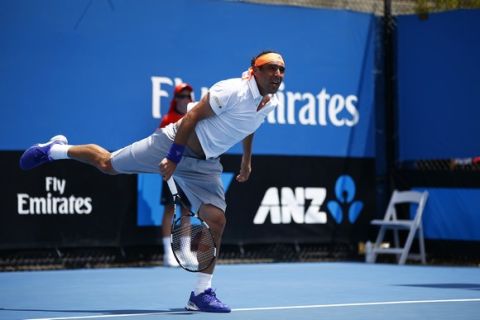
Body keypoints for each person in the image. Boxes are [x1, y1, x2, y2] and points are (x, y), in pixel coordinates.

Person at [19, 50, 286, 313]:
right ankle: (54, 150)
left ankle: (201, 293)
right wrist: (173, 157)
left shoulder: (270, 101)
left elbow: (249, 126)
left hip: (206, 164)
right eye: (271, 67)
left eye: (281, 69)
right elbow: (191, 118)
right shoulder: (232, 90)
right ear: (256, 70)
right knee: (108, 164)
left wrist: (246, 160)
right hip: (171, 143)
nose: (277, 73)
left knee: (217, 220)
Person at [158, 83, 193, 267]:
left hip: (188, 171)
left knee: (186, 211)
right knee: (170, 209)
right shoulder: (167, 119)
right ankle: (168, 253)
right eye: (181, 96)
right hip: (171, 170)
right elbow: (159, 145)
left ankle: (185, 252)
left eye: (188, 96)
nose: (185, 99)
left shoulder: (194, 118)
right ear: (176, 99)